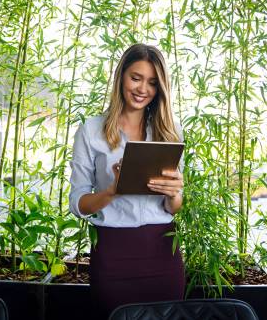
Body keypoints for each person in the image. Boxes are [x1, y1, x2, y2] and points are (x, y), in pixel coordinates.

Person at [68, 43, 185, 319]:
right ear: (121, 76)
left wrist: (174, 193)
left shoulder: (169, 131)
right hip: (113, 252)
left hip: (162, 249)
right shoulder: (91, 131)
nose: (143, 89)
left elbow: (173, 207)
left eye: (153, 83)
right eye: (136, 78)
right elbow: (78, 203)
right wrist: (112, 191)